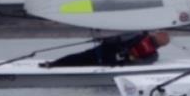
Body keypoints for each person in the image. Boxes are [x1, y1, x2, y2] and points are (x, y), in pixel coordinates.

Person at [41, 31, 170, 68]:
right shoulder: (152, 54)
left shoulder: (140, 37)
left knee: (77, 58)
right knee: (78, 59)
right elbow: (119, 39)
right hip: (108, 58)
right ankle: (53, 64)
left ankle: (53, 64)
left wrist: (102, 39)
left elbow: (117, 39)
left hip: (105, 56)